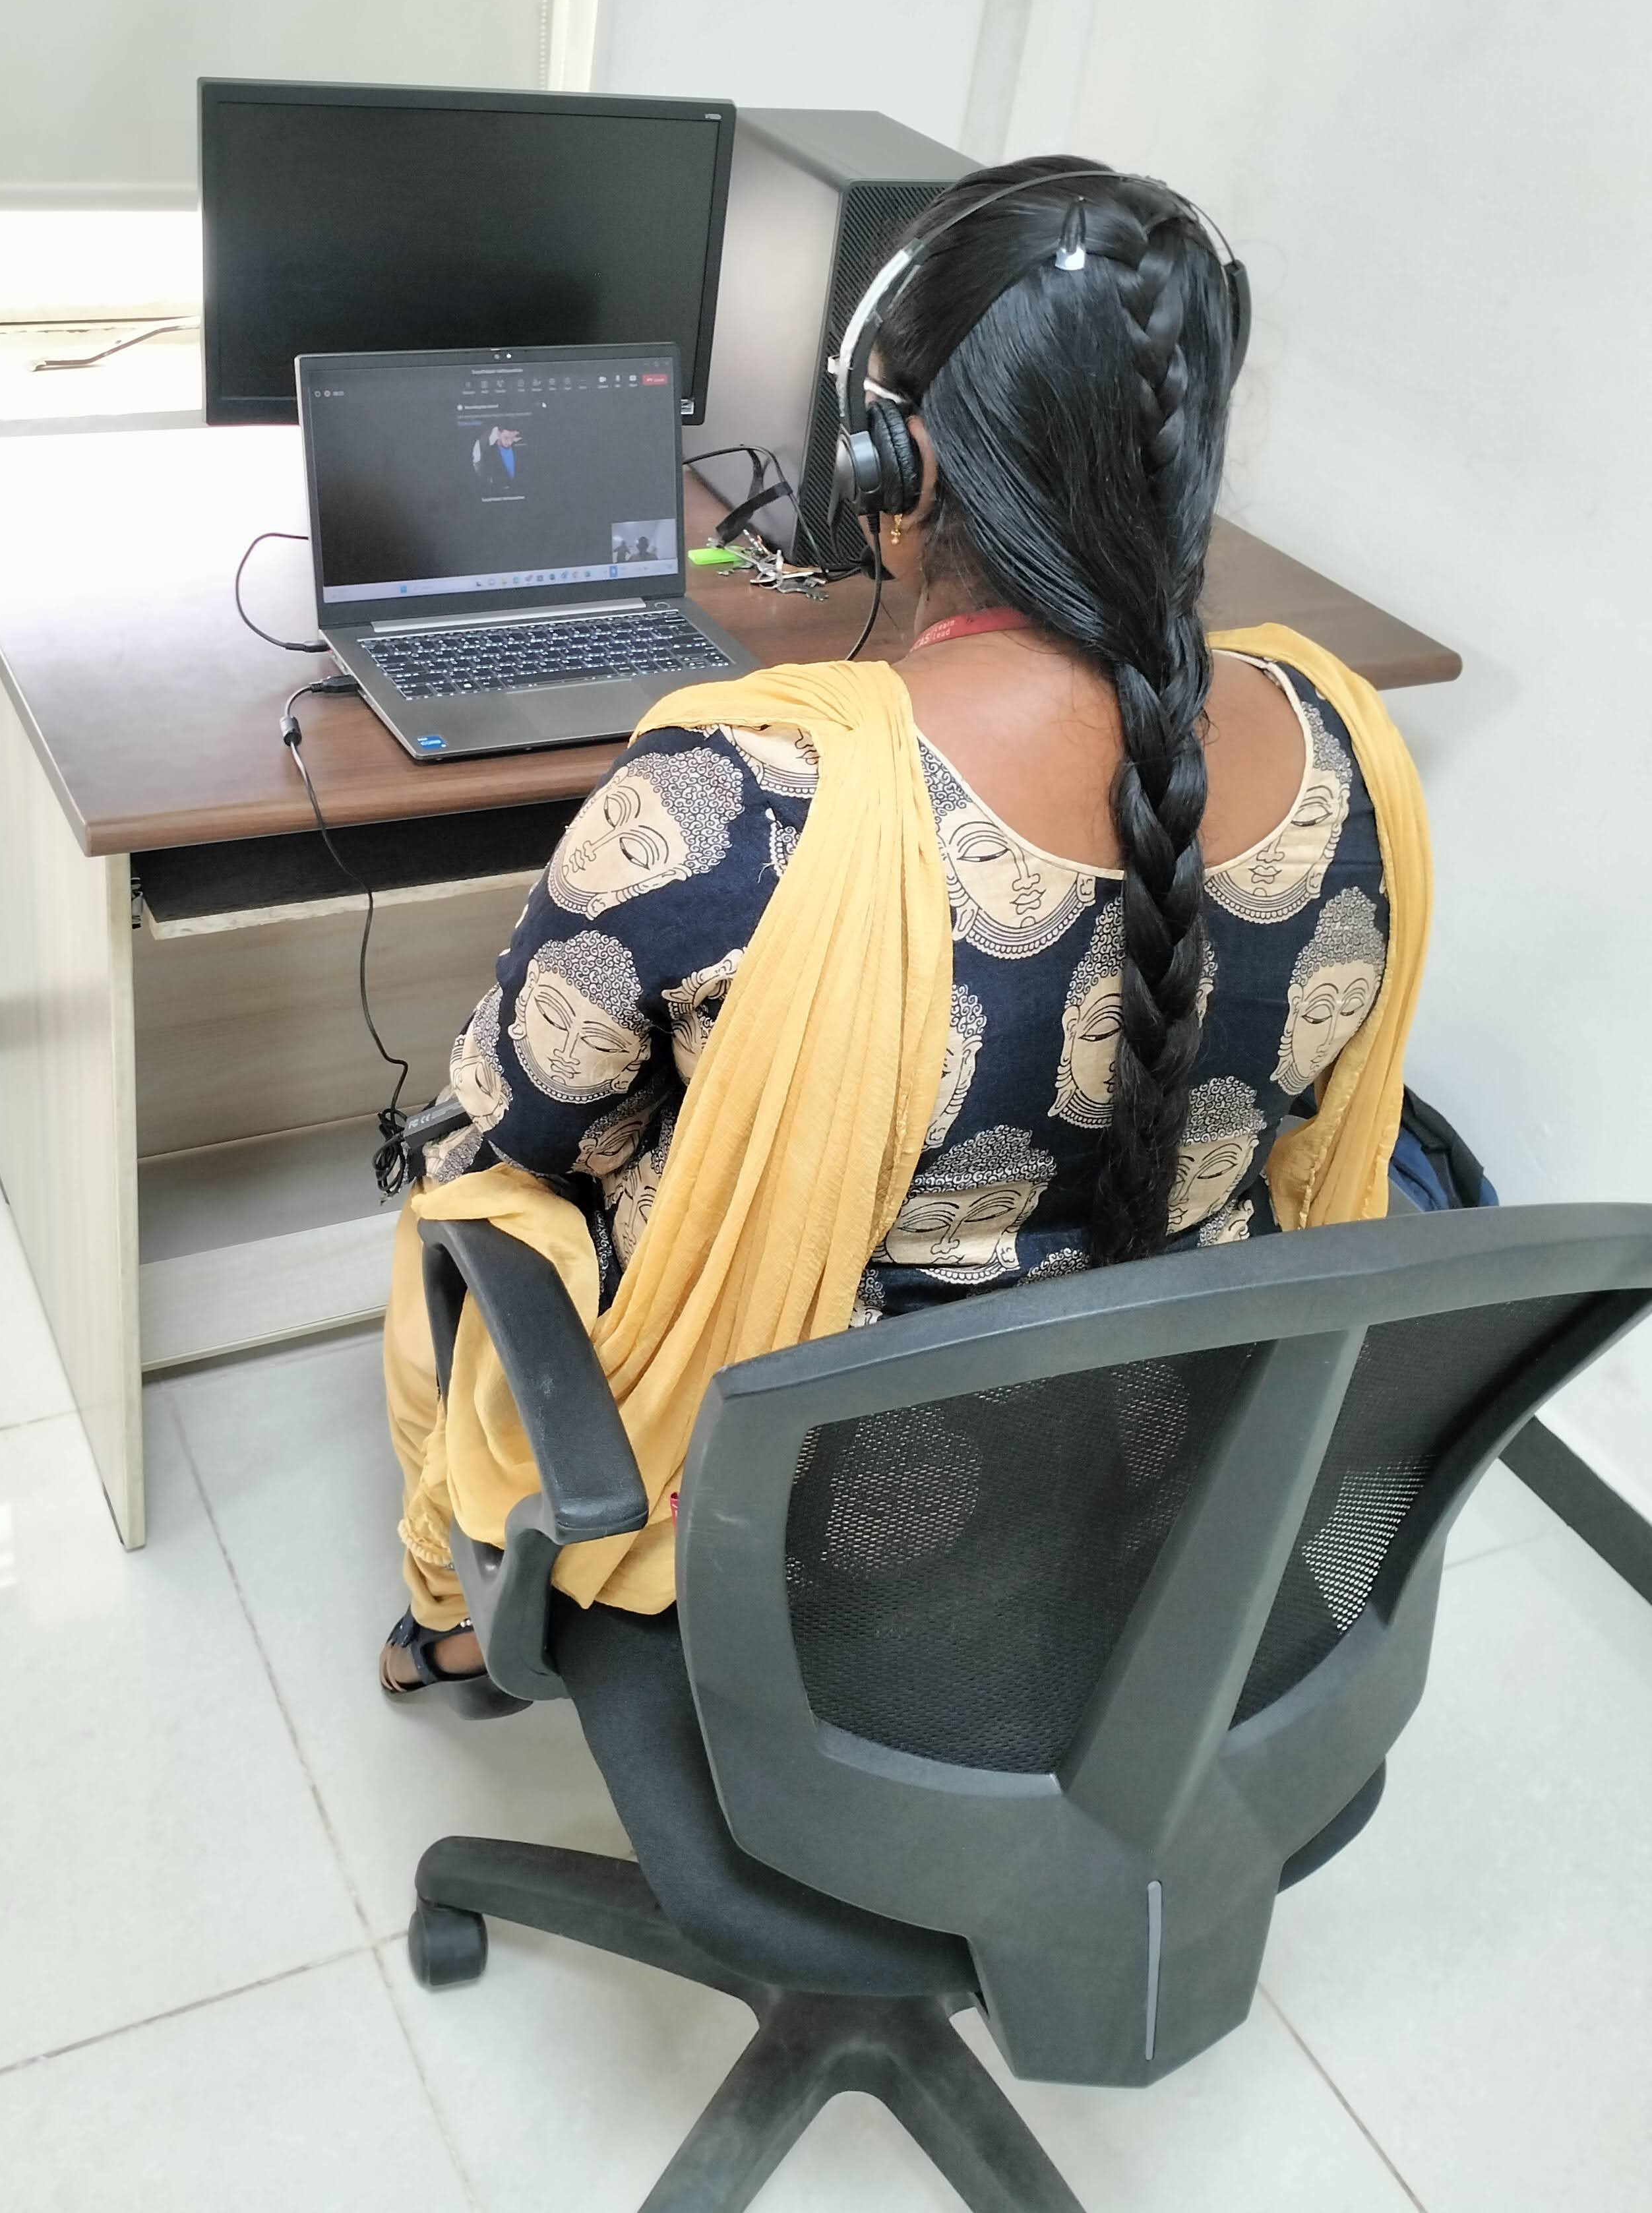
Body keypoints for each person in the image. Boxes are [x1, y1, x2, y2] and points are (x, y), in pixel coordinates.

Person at [379, 160, 1430, 1700]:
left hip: (785, 1523)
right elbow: (1316, 1136)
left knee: (457, 1189)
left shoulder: (739, 795)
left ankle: (457, 1610)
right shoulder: (1352, 744)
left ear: (897, 462)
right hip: (1167, 1462)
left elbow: (526, 1127)